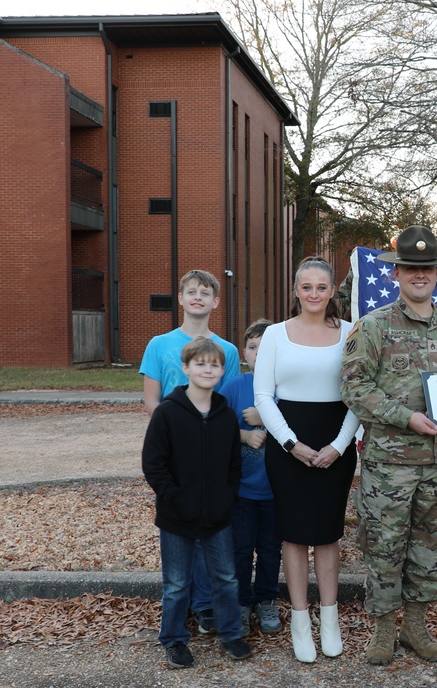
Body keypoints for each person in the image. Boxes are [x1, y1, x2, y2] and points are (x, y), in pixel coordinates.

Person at [340, 225, 437, 666]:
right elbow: (354, 387)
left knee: (430, 546)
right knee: (383, 545)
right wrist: (406, 417)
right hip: (390, 463)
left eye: (427, 269)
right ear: (396, 273)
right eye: (410, 269)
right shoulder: (374, 326)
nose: (420, 276)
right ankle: (382, 630)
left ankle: (416, 626)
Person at [253, 257, 360, 664]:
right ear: (295, 290)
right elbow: (264, 396)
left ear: (333, 291)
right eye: (306, 287)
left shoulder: (351, 333)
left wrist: (339, 444)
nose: (314, 294)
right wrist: (289, 443)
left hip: (337, 443)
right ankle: (301, 620)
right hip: (288, 446)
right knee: (294, 534)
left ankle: (329, 618)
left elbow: (359, 391)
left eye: (321, 287)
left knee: (328, 533)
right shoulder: (275, 336)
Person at [139, 269, 241, 636]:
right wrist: (177, 432)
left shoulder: (226, 351)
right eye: (191, 292)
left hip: (212, 455)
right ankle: (181, 610)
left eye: (205, 293)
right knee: (180, 532)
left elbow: (226, 405)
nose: (198, 297)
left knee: (212, 532)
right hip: (175, 451)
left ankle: (205, 605)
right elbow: (152, 400)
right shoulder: (158, 344)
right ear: (181, 298)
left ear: (216, 301)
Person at [141, 337, 253, 669]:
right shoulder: (168, 413)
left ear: (222, 370)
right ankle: (174, 639)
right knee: (176, 583)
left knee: (226, 577)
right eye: (200, 363)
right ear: (186, 368)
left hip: (218, 516)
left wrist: (227, 496)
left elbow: (235, 463)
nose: (208, 369)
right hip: (177, 518)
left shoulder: (225, 415)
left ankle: (231, 633)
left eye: (214, 364)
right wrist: (174, 498)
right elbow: (154, 464)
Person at [219, 318, 283, 636]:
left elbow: (298, 427)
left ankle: (266, 599)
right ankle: (242, 602)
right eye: (253, 347)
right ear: (245, 353)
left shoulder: (287, 388)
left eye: (266, 346)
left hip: (276, 489)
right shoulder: (234, 388)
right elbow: (216, 429)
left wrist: (266, 420)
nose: (259, 352)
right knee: (241, 549)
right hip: (242, 491)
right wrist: (244, 435)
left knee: (271, 549)